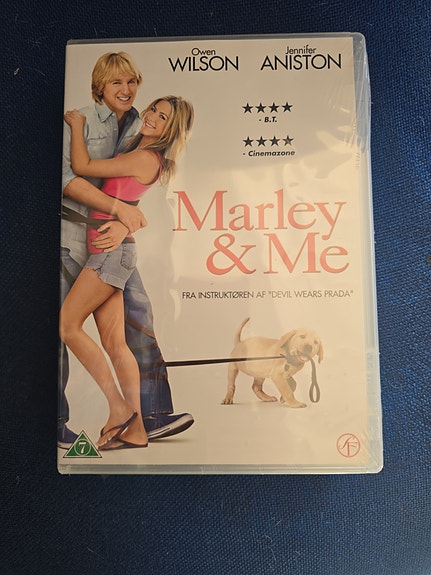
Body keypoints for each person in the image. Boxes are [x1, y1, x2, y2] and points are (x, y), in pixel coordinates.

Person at [59, 51, 194, 448]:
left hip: (109, 253)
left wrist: (76, 125)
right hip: (105, 246)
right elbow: (124, 199)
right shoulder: (139, 139)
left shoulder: (143, 155)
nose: (150, 115)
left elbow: (83, 168)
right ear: (100, 85)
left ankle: (121, 410)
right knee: (115, 343)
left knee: (68, 326)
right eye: (153, 109)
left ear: (171, 129)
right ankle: (135, 430)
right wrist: (123, 215)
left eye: (162, 117)